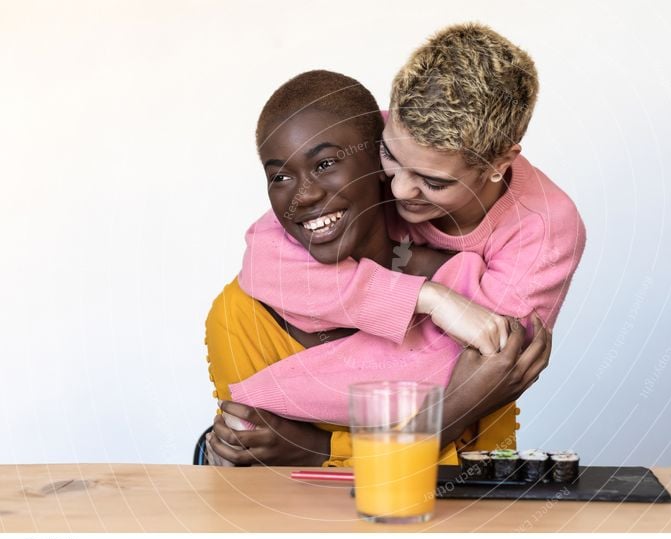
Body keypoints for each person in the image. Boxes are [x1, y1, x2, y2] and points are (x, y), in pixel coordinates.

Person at [219, 24, 586, 464]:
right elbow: (267, 254)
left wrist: (295, 423)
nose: (399, 190)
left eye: (433, 181)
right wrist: (430, 297)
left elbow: (459, 372)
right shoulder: (375, 134)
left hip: (446, 472)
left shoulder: (544, 230)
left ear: (499, 162)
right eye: (389, 158)